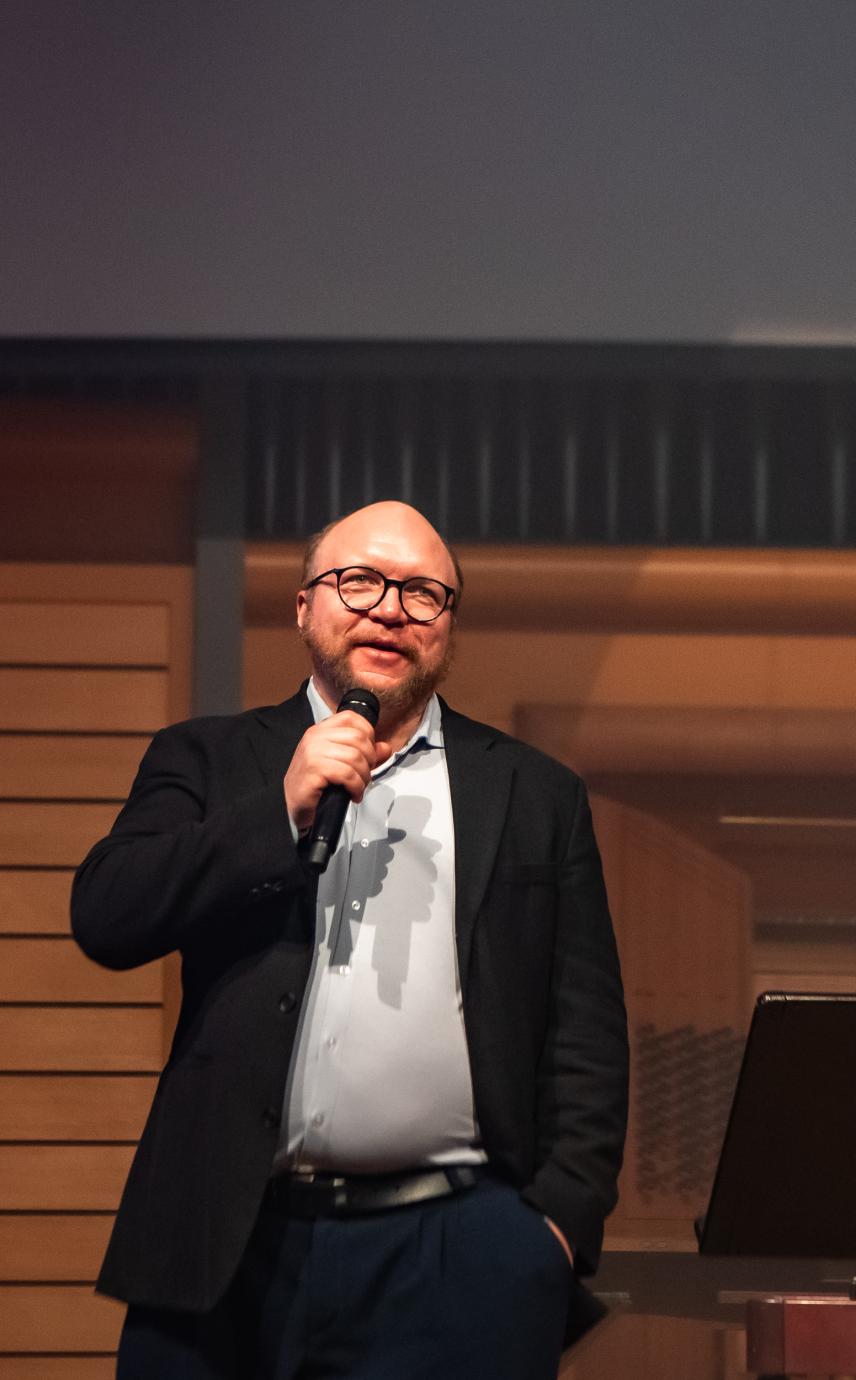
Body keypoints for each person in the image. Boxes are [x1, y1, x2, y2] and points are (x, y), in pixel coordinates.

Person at [72, 500, 628, 1380]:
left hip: (459, 1251)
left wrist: (554, 1227)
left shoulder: (533, 792)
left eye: (422, 593)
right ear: (304, 607)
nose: (390, 608)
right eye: (360, 581)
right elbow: (106, 916)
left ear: (448, 626)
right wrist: (280, 809)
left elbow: (586, 1032)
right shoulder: (210, 759)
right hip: (229, 1242)